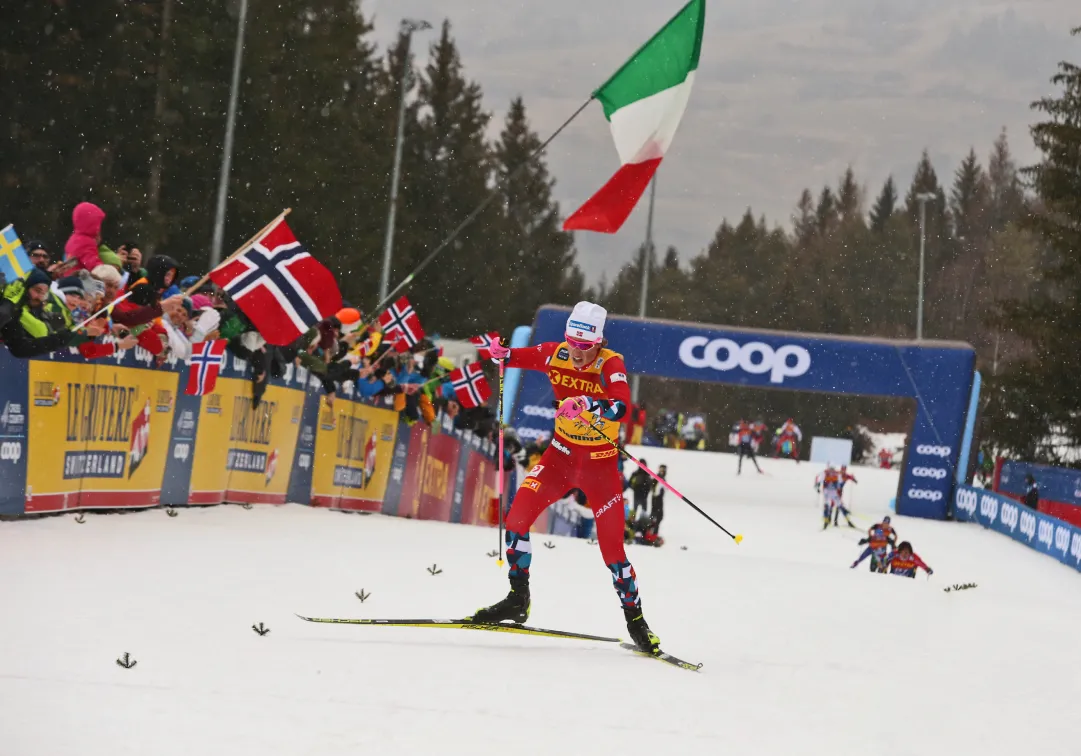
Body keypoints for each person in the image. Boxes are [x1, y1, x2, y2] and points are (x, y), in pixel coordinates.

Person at [473, 301, 662, 653]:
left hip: (600, 468)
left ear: (598, 343)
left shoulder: (611, 363)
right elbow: (515, 356)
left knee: (613, 554)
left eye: (584, 346)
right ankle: (518, 598)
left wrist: (590, 404)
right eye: (572, 342)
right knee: (515, 521)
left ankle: (636, 622)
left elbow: (623, 406)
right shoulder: (555, 353)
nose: (576, 352)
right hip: (559, 458)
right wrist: (500, 352)